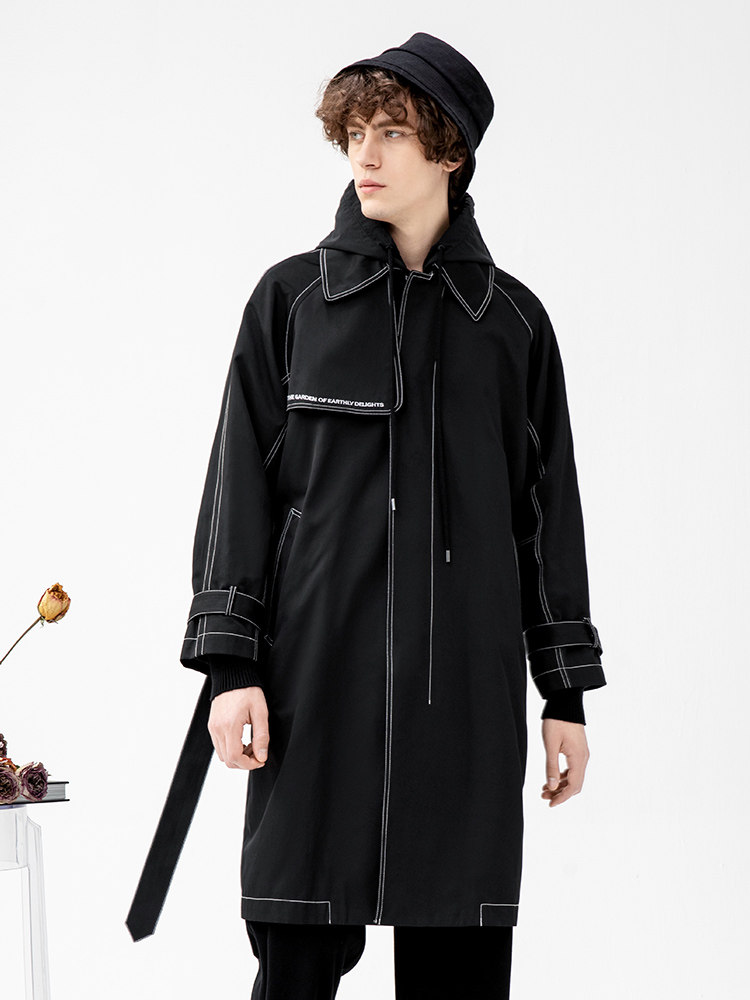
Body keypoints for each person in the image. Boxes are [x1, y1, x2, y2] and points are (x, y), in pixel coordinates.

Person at [126, 31, 607, 1000]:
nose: (365, 155)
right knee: (294, 964)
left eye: (391, 132)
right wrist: (232, 670)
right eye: (354, 133)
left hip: (463, 701)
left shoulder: (512, 325)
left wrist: (565, 694)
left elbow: (547, 515)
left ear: (451, 151)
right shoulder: (292, 302)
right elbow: (237, 491)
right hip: (314, 688)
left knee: (459, 965)